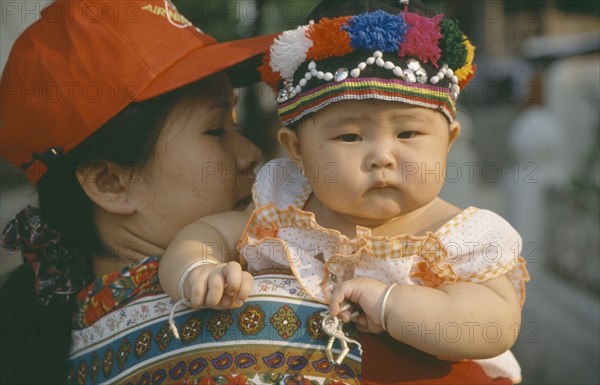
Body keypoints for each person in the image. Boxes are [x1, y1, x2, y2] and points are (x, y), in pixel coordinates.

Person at [158, 1, 530, 384]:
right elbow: (206, 233)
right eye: (350, 136)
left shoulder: (457, 236)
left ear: (448, 142)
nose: (381, 157)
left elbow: (495, 324)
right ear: (298, 150)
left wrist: (392, 305)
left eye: (408, 133)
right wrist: (196, 271)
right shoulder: (284, 215)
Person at [0, 0, 291, 384]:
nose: (251, 154)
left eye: (234, 123)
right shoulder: (229, 330)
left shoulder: (75, 332)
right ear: (110, 182)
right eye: (216, 131)